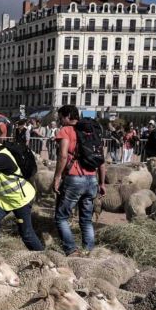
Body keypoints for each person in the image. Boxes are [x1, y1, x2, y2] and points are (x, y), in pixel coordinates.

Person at [51, 105, 107, 256]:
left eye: (61, 117)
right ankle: (89, 251)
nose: (60, 120)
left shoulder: (66, 131)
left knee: (61, 217)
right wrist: (101, 183)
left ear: (68, 116)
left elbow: (63, 155)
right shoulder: (92, 131)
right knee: (86, 219)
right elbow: (102, 160)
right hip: (92, 179)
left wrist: (57, 177)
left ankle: (71, 249)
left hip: (74, 178)